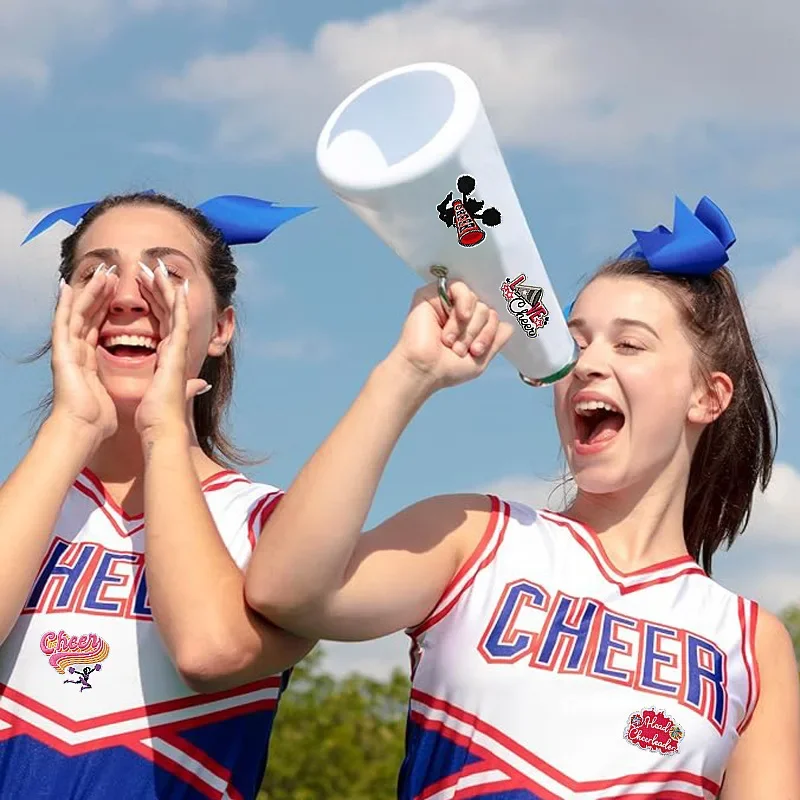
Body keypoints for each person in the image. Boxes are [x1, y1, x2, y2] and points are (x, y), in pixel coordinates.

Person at [245, 196, 800, 798]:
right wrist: (407, 373)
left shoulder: (750, 642)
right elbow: (284, 590)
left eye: (629, 345)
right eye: (575, 343)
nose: (587, 364)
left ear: (708, 397)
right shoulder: (472, 535)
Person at [0, 191, 316, 799]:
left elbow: (208, 650)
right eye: (95, 274)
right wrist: (70, 426)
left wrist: (164, 431)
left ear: (220, 328)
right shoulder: (22, 506)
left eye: (168, 274)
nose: (126, 296)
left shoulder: (270, 523)